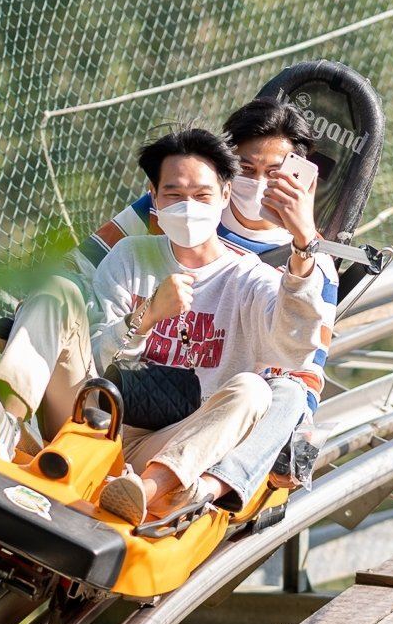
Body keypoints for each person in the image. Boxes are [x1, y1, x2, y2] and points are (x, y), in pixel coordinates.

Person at [0, 127, 327, 523]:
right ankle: (6, 421)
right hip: (93, 418)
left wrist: (303, 248)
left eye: (201, 196)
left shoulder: (250, 280)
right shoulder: (130, 255)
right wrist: (143, 319)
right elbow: (93, 359)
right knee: (57, 290)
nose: (188, 207)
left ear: (225, 195)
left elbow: (295, 348)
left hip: (170, 444)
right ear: (154, 196)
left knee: (253, 390)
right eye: (174, 195)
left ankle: (142, 493)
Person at [78, 97, 339, 502]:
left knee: (280, 392)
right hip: (127, 390)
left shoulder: (307, 261)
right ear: (230, 169)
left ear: (300, 177)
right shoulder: (172, 202)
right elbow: (82, 263)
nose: (259, 183)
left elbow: (305, 366)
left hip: (224, 401)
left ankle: (204, 487)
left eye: (274, 173)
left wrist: (289, 435)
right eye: (248, 169)